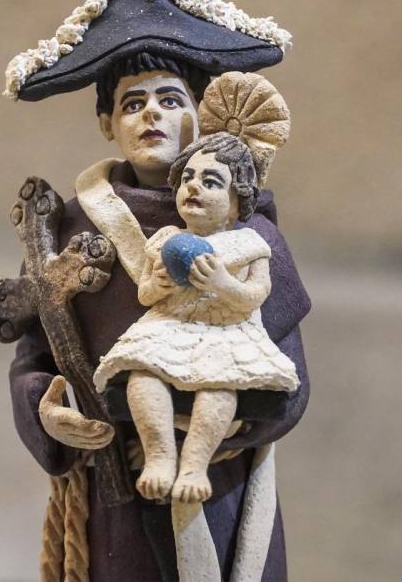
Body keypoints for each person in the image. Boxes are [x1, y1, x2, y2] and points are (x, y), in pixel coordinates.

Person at [4, 0, 310, 581]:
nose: (152, 115)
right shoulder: (68, 230)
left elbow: (292, 377)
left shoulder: (250, 234)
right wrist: (50, 415)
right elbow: (34, 359)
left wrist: (229, 421)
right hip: (113, 498)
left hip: (222, 489)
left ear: (199, 113)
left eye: (170, 99)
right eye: (132, 103)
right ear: (106, 123)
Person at [93, 133, 299, 506]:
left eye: (211, 182)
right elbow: (145, 294)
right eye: (187, 177)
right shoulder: (167, 240)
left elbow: (256, 295)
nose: (193, 187)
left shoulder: (248, 244)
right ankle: (159, 455)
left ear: (237, 202)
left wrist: (223, 284)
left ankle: (194, 465)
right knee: (143, 377)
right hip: (169, 327)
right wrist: (157, 284)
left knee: (218, 388)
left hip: (225, 331)